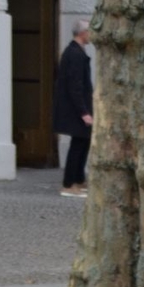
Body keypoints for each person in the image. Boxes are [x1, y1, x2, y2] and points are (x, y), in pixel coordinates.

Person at [54, 21, 93, 196]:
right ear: (83, 33)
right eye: (90, 31)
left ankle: (78, 179)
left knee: (83, 142)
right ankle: (69, 183)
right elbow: (75, 86)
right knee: (78, 145)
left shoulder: (75, 52)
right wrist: (84, 112)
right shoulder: (75, 54)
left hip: (79, 107)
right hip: (77, 109)